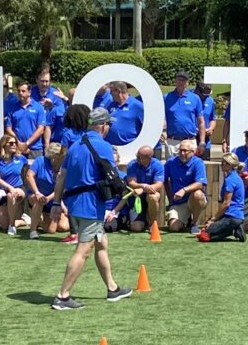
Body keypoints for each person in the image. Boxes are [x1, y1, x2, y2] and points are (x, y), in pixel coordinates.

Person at [50, 104, 132, 310]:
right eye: (108, 125)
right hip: (91, 205)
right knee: (83, 251)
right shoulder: (103, 146)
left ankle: (112, 288)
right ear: (102, 126)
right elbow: (111, 174)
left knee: (101, 243)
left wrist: (55, 203)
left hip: (74, 203)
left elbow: (61, 176)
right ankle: (63, 295)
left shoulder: (75, 145)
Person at [200, 152, 248, 242]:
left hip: (231, 216)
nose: (221, 165)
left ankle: (233, 230)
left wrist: (213, 219)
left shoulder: (230, 180)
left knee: (204, 235)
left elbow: (226, 203)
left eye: (223, 163)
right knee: (206, 231)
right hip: (236, 216)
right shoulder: (236, 177)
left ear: (229, 165)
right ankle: (234, 230)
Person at [26, 142, 69, 239]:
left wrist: (49, 198)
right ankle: (33, 231)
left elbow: (61, 187)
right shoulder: (40, 161)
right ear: (54, 156)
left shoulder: (63, 167)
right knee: (39, 200)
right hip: (35, 195)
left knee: (59, 228)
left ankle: (39, 220)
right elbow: (29, 176)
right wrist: (37, 192)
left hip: (52, 199)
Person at [164, 139, 208, 234]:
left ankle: (194, 223)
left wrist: (184, 190)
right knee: (173, 227)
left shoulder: (198, 162)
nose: (182, 153)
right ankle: (185, 220)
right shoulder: (171, 162)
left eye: (185, 151)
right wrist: (169, 196)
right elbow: (164, 180)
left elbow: (200, 183)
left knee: (198, 194)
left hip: (194, 199)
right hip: (178, 202)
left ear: (193, 152)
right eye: (180, 150)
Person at [162, 71, 205, 158]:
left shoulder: (195, 98)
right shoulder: (166, 97)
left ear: (187, 83)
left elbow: (201, 122)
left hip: (190, 141)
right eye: (179, 80)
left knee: (190, 169)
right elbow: (161, 118)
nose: (181, 82)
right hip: (172, 142)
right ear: (175, 81)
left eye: (183, 80)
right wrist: (162, 131)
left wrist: (202, 141)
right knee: (171, 169)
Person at [0, 134, 28, 235]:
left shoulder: (20, 158)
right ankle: (22, 221)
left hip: (18, 188)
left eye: (15, 143)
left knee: (11, 195)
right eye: (11, 143)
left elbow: (31, 165)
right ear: (3, 145)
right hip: (2, 190)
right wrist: (9, 188)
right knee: (3, 225)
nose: (14, 145)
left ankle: (12, 226)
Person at [123, 145, 164, 232]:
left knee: (153, 197)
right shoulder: (132, 164)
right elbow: (131, 183)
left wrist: (143, 189)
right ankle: (141, 219)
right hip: (136, 196)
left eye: (139, 157)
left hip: (151, 193)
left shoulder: (157, 165)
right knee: (136, 228)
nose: (136, 158)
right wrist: (143, 186)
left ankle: (152, 224)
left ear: (148, 158)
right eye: (137, 156)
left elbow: (158, 185)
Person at [5, 81, 46, 159]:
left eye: (23, 91)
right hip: (16, 148)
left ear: (29, 92)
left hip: (35, 149)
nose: (20, 93)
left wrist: (26, 144)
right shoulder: (13, 108)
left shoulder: (38, 107)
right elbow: (8, 128)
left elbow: (41, 129)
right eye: (19, 91)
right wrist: (19, 143)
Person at [105, 81, 144, 146]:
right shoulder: (110, 105)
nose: (110, 94)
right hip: (110, 146)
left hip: (129, 147)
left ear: (118, 91)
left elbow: (145, 126)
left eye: (111, 91)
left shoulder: (137, 106)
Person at [194, 82, 216, 160]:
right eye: (204, 95)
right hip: (191, 138)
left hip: (205, 141)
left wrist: (211, 128)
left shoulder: (210, 100)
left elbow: (212, 118)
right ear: (197, 91)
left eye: (208, 94)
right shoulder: (190, 97)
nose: (206, 97)